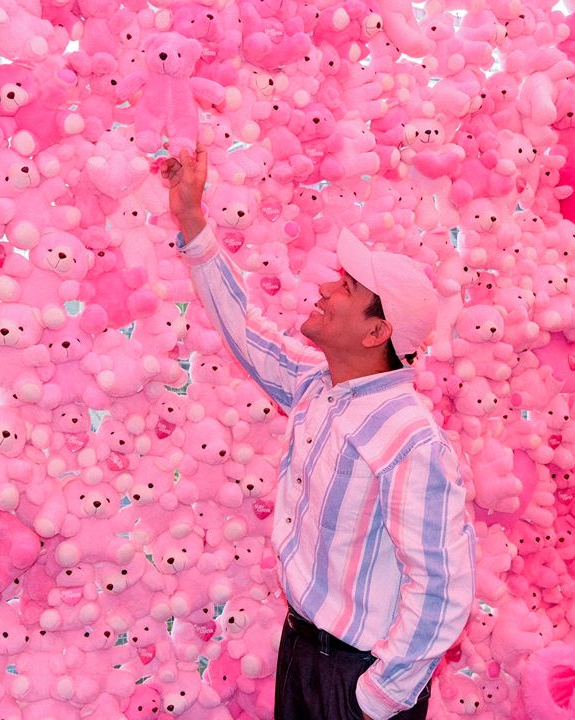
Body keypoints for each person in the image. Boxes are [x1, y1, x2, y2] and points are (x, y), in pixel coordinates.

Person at [160, 147, 476, 720]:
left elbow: (442, 586)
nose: (328, 288)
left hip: (358, 677)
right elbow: (244, 328)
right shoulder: (317, 386)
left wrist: (378, 698)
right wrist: (191, 218)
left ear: (376, 332)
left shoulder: (410, 439)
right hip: (303, 651)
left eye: (348, 287)